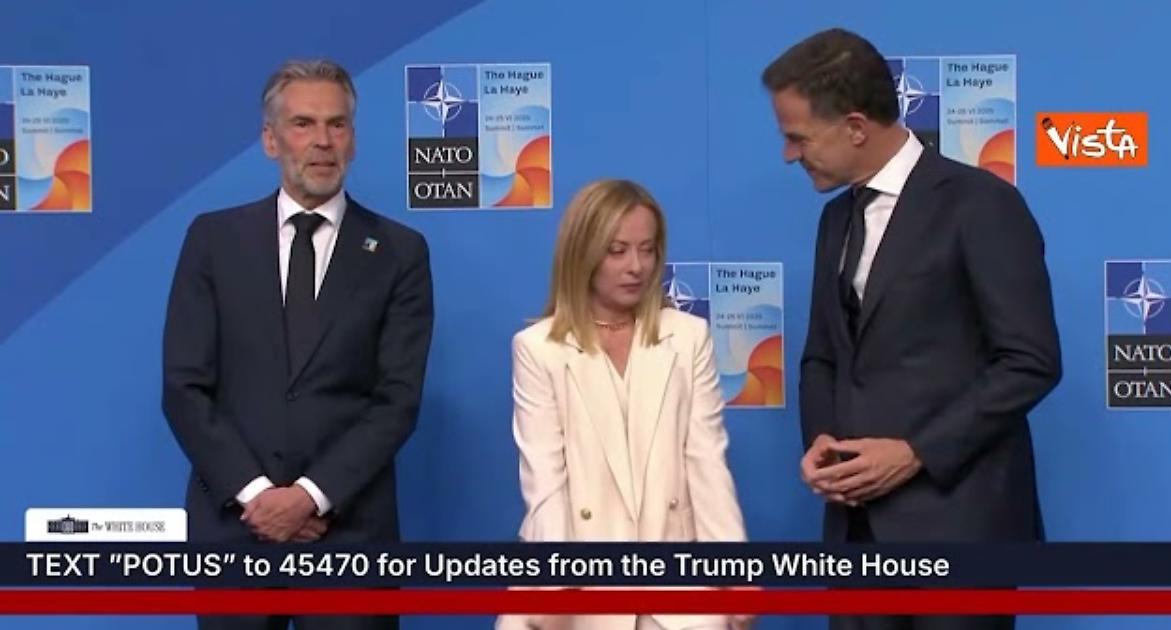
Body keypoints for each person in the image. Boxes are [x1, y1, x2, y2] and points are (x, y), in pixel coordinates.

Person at [761, 28, 1062, 630]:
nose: (790, 155)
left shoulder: (981, 204)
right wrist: (821, 442)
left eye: (799, 138)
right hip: (855, 534)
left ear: (855, 127)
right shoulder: (834, 219)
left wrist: (916, 452)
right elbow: (824, 354)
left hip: (961, 529)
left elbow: (1030, 361)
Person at [162, 59, 434, 630]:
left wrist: (310, 497)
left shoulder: (400, 252)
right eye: (303, 124)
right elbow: (185, 388)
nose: (322, 141)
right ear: (271, 139)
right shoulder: (213, 240)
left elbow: (397, 400)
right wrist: (259, 498)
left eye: (337, 124)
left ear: (353, 139)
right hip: (235, 531)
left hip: (349, 536)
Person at [496, 180, 752, 630]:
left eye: (647, 250)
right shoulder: (538, 349)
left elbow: (707, 463)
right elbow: (545, 480)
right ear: (582, 253)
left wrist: (734, 573)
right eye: (617, 251)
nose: (636, 266)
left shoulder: (688, 338)